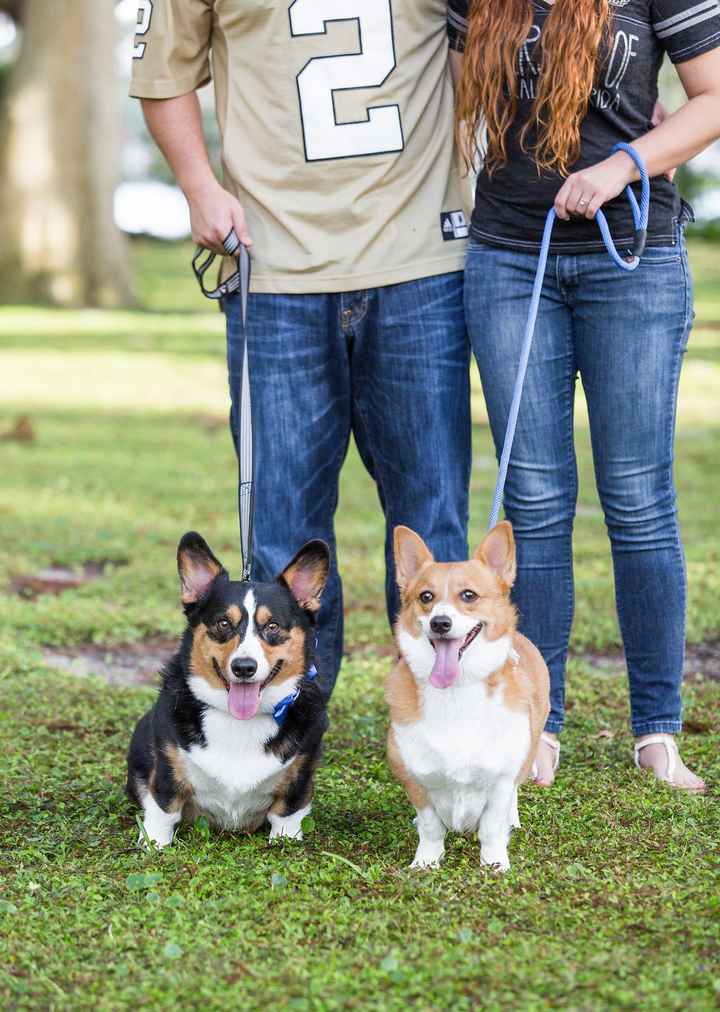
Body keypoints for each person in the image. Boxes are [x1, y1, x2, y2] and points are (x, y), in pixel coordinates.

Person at [130, 2, 472, 698]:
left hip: (420, 260)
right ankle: (291, 714)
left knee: (430, 516)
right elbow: (161, 73)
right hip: (273, 262)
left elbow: (498, 47)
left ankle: (444, 711)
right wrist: (198, 185)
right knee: (282, 524)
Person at [449, 0, 720, 790]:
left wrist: (621, 164)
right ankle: (542, 723)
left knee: (637, 498)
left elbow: (710, 100)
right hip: (508, 260)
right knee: (532, 500)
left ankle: (657, 730)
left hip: (629, 255)